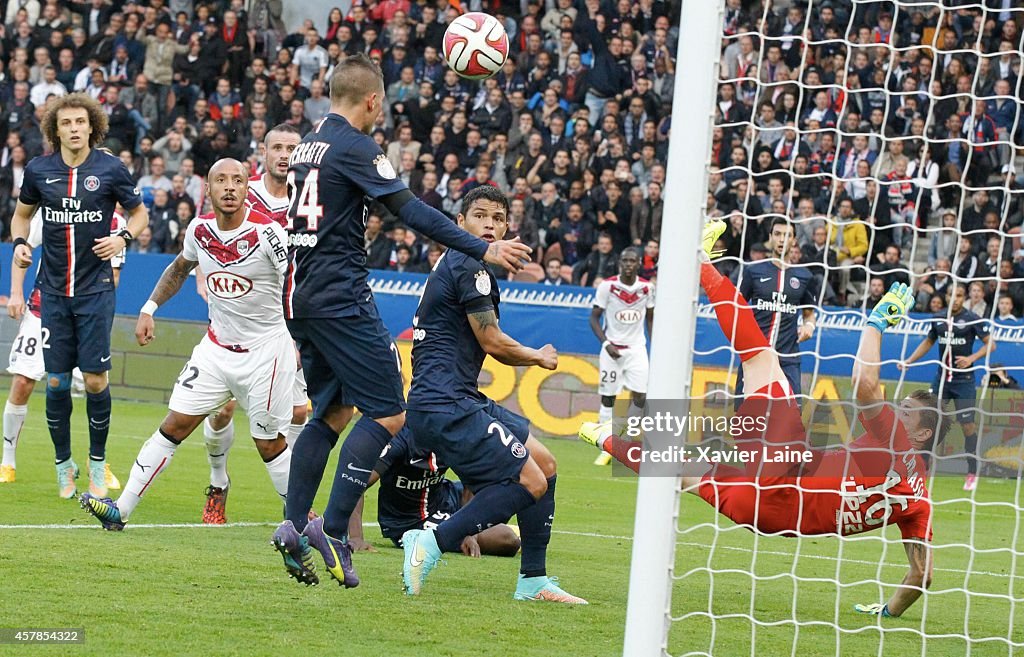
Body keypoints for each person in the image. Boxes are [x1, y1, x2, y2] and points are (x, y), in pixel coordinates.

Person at [580, 220, 935, 618]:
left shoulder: (897, 441)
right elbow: (922, 575)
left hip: (785, 471)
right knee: (680, 469)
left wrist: (875, 324)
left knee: (762, 356)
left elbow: (866, 383)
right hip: (766, 516)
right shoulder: (921, 502)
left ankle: (698, 262)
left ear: (922, 432)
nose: (897, 410)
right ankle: (602, 437)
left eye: (907, 410)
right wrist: (888, 612)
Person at [270, 54, 530, 589]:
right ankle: (334, 529)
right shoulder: (357, 146)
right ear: (372, 100)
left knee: (332, 413)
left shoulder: (308, 143)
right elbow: (412, 212)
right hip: (341, 296)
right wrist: (485, 247)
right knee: (389, 412)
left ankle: (294, 526)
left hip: (297, 295)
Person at [80, 158, 294, 531]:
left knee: (269, 445)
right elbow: (180, 268)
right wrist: (149, 308)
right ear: (207, 190)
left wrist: (301, 338)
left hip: (266, 353)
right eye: (221, 180)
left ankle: (301, 521)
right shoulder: (199, 230)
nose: (229, 187)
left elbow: (295, 283)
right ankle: (121, 510)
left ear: (248, 189)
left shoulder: (269, 233)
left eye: (238, 181)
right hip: (215, 348)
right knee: (174, 424)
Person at [400, 185, 586, 604]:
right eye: (479, 215)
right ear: (460, 223)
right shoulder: (469, 263)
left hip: (457, 397)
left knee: (545, 463)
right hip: (444, 404)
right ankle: (431, 542)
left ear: (507, 227)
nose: (489, 224)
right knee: (530, 481)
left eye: (497, 218)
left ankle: (533, 581)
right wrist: (537, 356)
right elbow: (492, 342)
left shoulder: (462, 262)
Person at [9, 93, 147, 499]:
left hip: (95, 291)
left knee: (94, 379)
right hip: (52, 292)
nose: (73, 128)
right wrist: (19, 241)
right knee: (53, 381)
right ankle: (63, 463)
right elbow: (21, 214)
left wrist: (121, 237)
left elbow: (139, 215)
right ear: (56, 129)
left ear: (92, 127)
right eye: (65, 123)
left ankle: (98, 464)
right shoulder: (38, 170)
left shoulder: (110, 169)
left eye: (80, 122)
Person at [196, 124, 309, 524]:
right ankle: (217, 482)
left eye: (292, 148)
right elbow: (205, 245)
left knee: (299, 413)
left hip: (290, 323)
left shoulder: (309, 200)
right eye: (276, 147)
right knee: (221, 411)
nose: (284, 155)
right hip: (238, 321)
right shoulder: (241, 191)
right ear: (263, 153)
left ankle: (291, 501)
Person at [1, 208, 127, 485]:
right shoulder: (52, 208)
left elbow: (114, 276)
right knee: (23, 381)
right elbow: (23, 248)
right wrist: (16, 292)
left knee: (95, 384)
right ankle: (7, 462)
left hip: (85, 314)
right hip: (43, 308)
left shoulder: (115, 222)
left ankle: (98, 461)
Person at [348, 426, 522, 557]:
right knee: (507, 540)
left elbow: (472, 481)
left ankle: (494, 529)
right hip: (410, 521)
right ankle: (498, 531)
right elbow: (356, 483)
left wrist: (468, 531)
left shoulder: (453, 434)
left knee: (512, 485)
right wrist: (356, 537)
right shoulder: (399, 441)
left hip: (445, 497)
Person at [900, 284, 994, 491]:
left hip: (964, 381)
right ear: (947, 296)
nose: (956, 299)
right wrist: (909, 360)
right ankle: (922, 468)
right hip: (941, 380)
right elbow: (928, 341)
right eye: (953, 295)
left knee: (967, 425)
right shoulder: (939, 318)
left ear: (964, 298)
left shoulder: (972, 319)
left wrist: (971, 358)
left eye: (960, 296)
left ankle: (972, 471)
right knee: (928, 420)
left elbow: (990, 344)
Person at [733, 217, 819, 403]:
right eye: (778, 234)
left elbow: (809, 314)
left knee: (791, 420)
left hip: (787, 358)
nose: (782, 239)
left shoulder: (805, 277)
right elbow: (737, 306)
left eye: (787, 235)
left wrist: (809, 327)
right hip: (755, 356)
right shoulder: (753, 271)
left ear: (794, 240)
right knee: (746, 421)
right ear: (770, 237)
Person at [589, 248, 654, 466]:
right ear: (619, 262)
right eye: (624, 260)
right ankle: (604, 442)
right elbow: (594, 318)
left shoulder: (647, 288)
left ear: (638, 264)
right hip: (612, 349)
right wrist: (606, 344)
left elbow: (651, 319)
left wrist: (655, 346)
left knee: (641, 396)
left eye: (632, 261)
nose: (628, 264)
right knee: (609, 397)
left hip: (637, 349)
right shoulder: (607, 286)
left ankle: (624, 442)